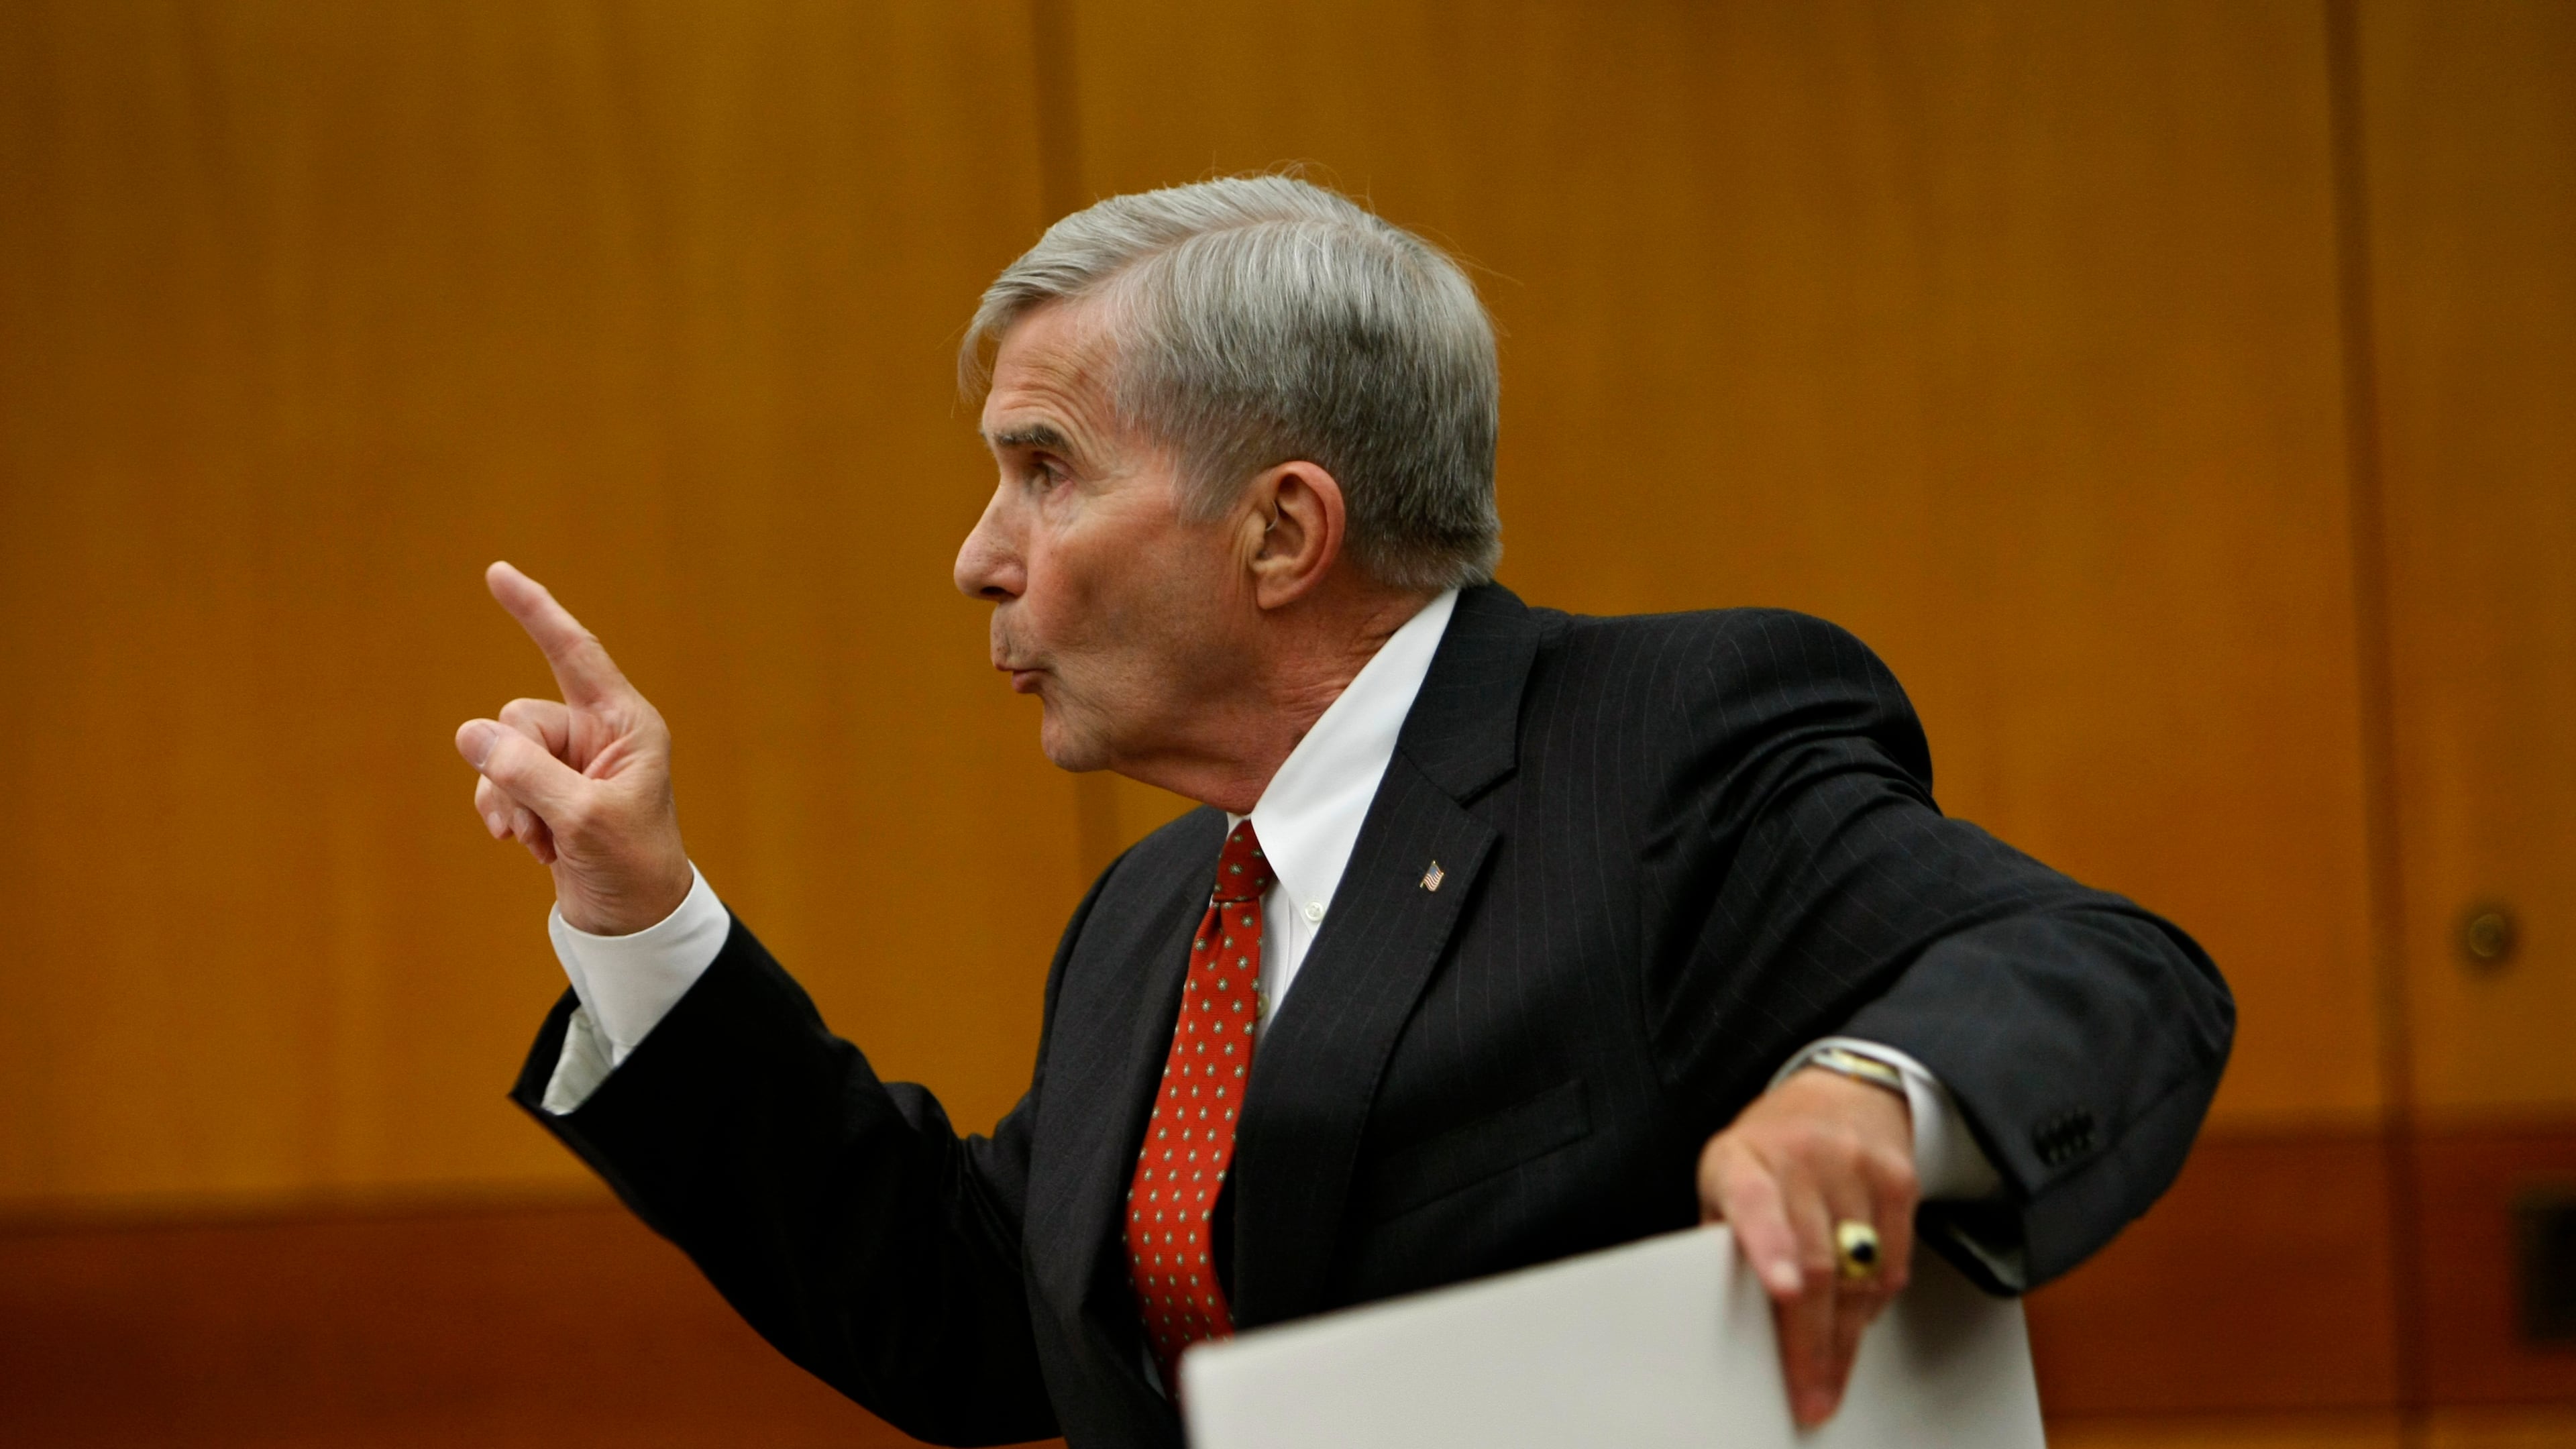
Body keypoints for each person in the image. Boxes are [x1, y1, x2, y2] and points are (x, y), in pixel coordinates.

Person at [454, 176, 2231, 1449]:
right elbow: (980, 1327)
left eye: (1045, 470)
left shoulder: (1663, 747)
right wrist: (646, 924)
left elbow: (2096, 964)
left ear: (1284, 533)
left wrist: (1869, 1098)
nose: (977, 557)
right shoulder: (1160, 917)